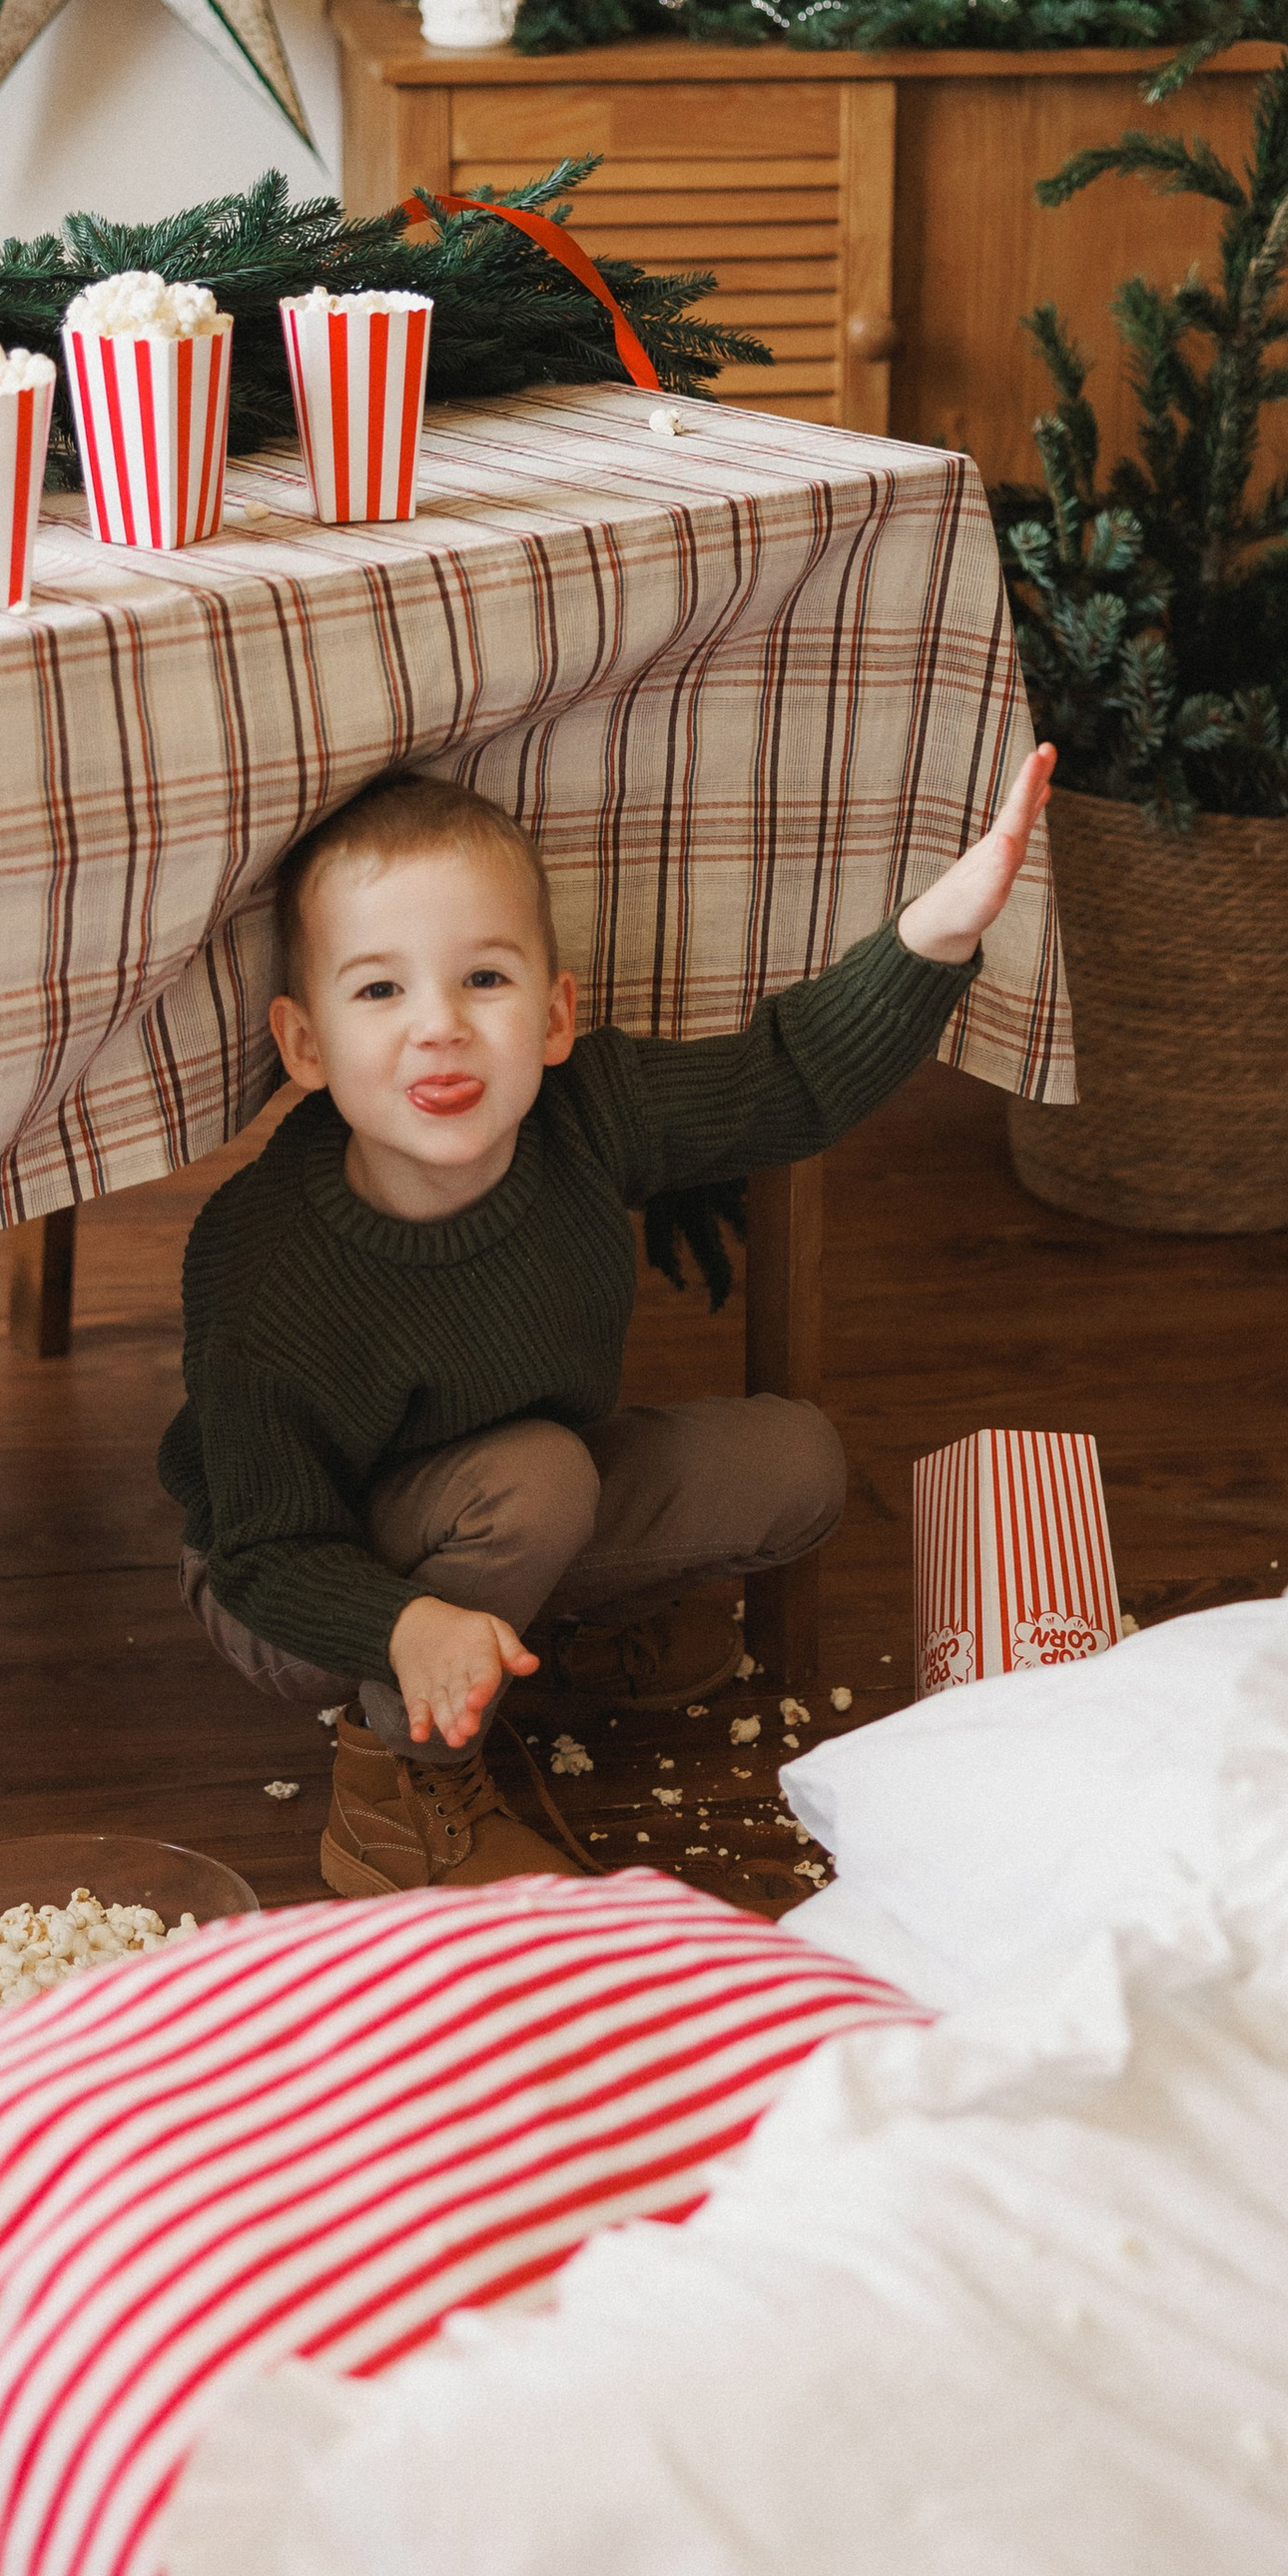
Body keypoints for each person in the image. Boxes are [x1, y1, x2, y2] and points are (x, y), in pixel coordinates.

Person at [163, 746, 1056, 1897]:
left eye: (482, 979)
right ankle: (400, 1785)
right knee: (535, 1480)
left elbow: (784, 1082)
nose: (437, 1027)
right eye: (380, 990)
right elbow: (259, 1549)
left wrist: (936, 930)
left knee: (796, 1463)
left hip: (509, 1496)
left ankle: (526, 1641)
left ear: (554, 1014)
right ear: (304, 1045)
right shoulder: (265, 1265)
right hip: (286, 1578)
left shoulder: (589, 1108)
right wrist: (398, 1628)